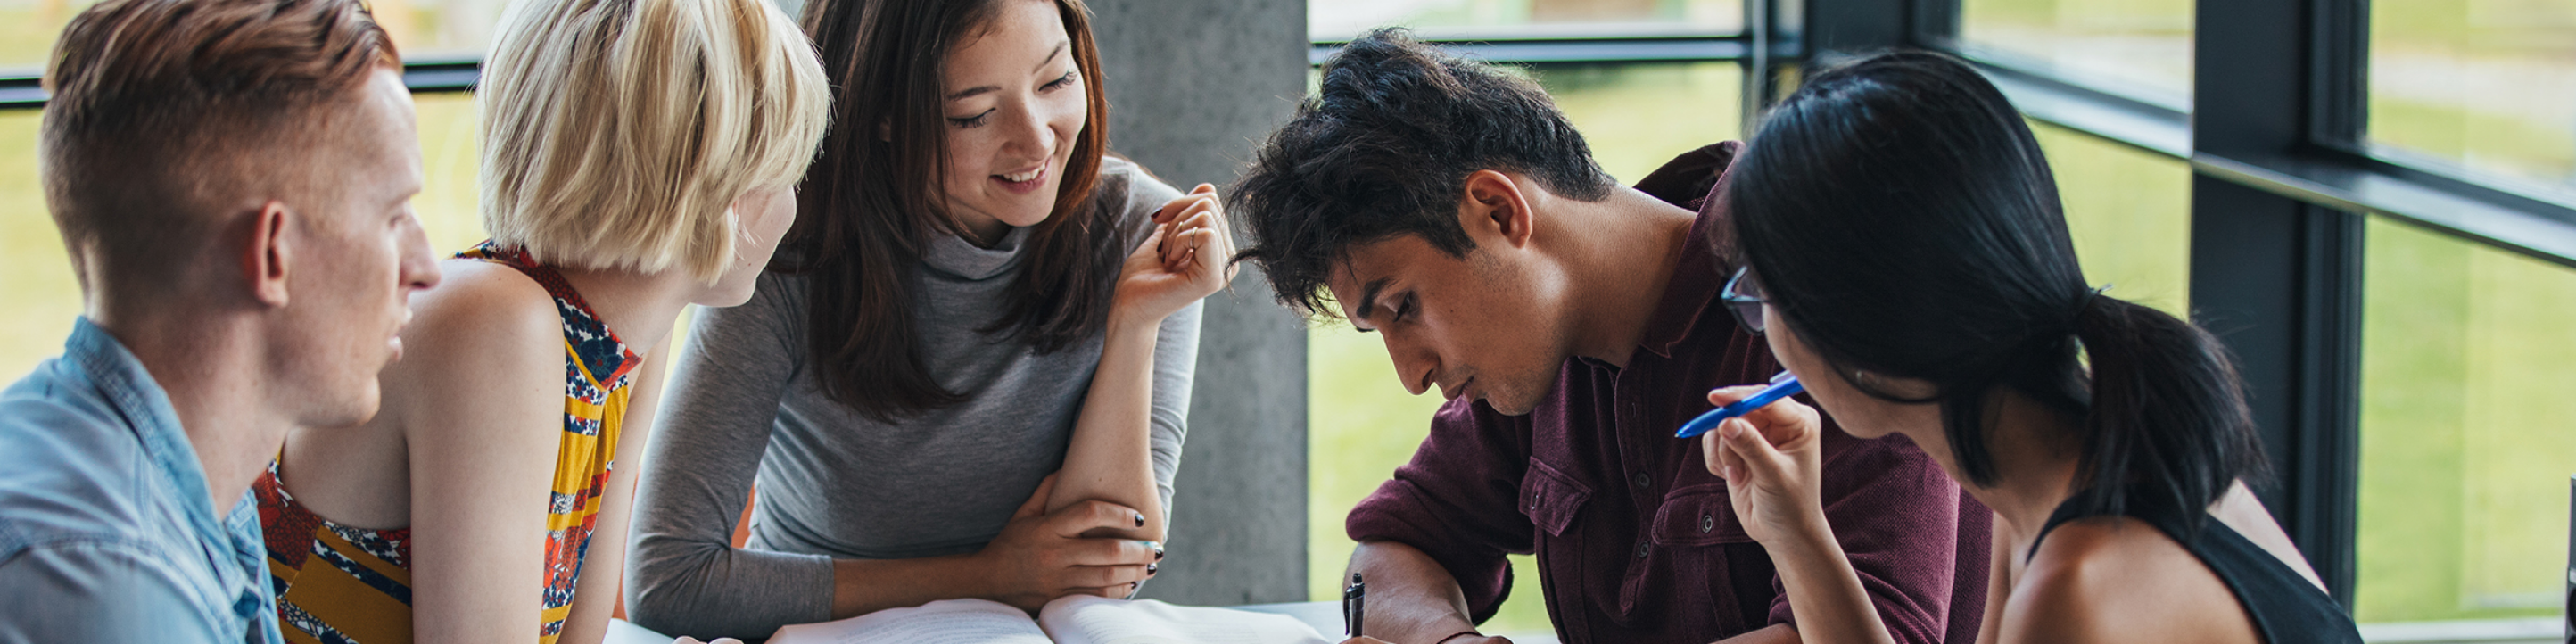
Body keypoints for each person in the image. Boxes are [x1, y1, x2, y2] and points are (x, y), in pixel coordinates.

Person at [1227, 29, 1986, 644]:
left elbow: (1873, 634)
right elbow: (1390, 553)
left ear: (1498, 212)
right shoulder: (1534, 360)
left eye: (1402, 307)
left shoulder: (1812, 309)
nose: (1411, 375)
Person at [1697, 51, 2364, 644]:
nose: (1766, 332)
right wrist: (1799, 536)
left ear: (1858, 332)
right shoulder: (2082, 455)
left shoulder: (2077, 591)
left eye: (1760, 292)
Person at [622, 0, 1235, 638]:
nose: (1037, 140)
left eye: (1056, 80)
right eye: (972, 114)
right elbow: (668, 579)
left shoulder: (1143, 232)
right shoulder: (785, 245)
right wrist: (988, 576)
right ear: (886, 116)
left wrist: (1135, 327)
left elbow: (1109, 561)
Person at [253, 0, 831, 640]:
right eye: (787, 173)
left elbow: (577, 635)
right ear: (718, 191)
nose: (793, 203)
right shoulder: (497, 326)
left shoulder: (629, 342)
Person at [0, 0, 440, 640]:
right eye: (395, 216)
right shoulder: (108, 586)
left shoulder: (197, 485)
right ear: (270, 255)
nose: (426, 268)